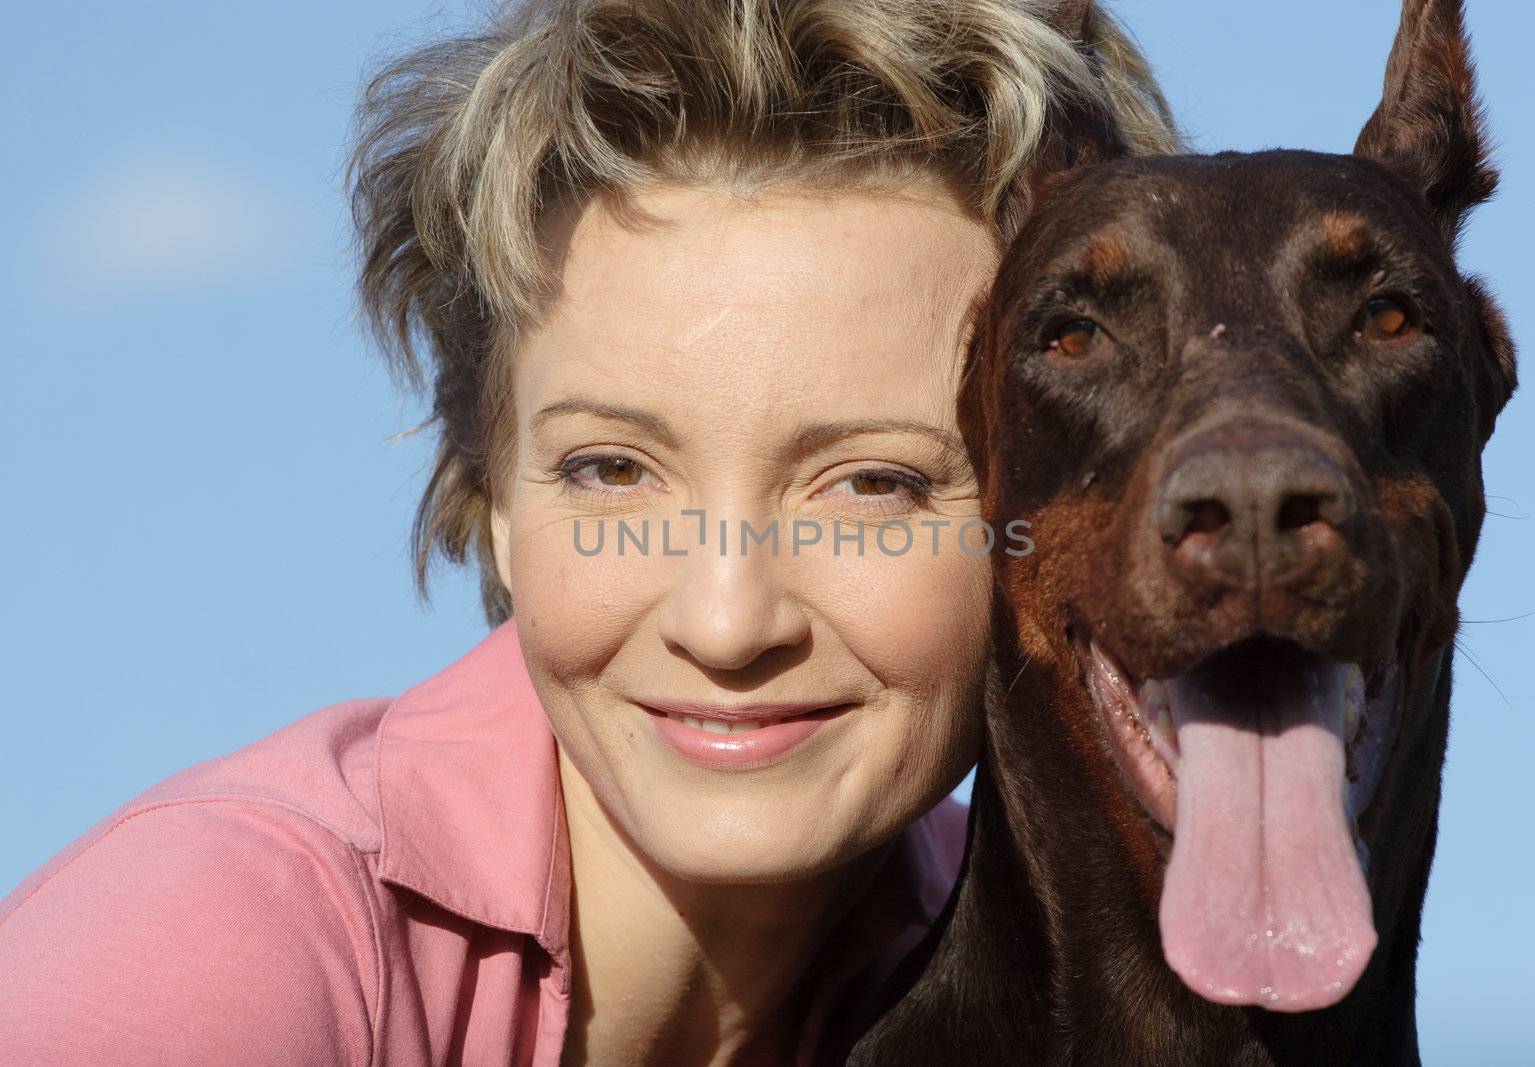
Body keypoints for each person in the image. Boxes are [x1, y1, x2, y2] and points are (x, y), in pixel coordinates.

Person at [0, 1, 1177, 1063]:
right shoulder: (214, 945)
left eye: (871, 485)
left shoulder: (1060, 977)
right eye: (611, 469)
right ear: (497, 499)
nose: (725, 620)